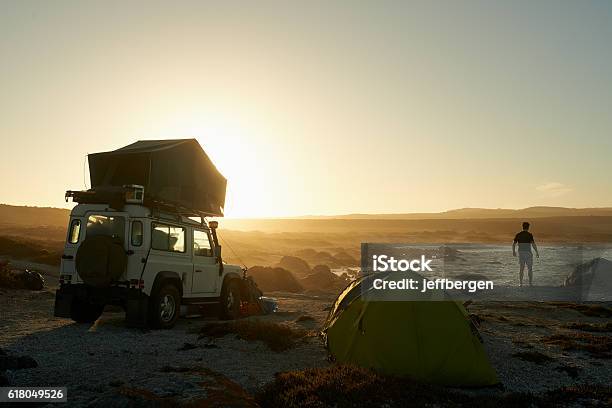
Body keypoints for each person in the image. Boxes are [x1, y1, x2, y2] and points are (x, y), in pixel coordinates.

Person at [512, 222, 539, 286]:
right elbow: (533, 244)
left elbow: (514, 244)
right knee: (530, 268)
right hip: (528, 253)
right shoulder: (530, 235)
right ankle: (530, 283)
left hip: (521, 253)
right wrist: (537, 252)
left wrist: (513, 251)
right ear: (528, 227)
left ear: (522, 227)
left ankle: (520, 283)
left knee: (521, 268)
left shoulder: (518, 234)